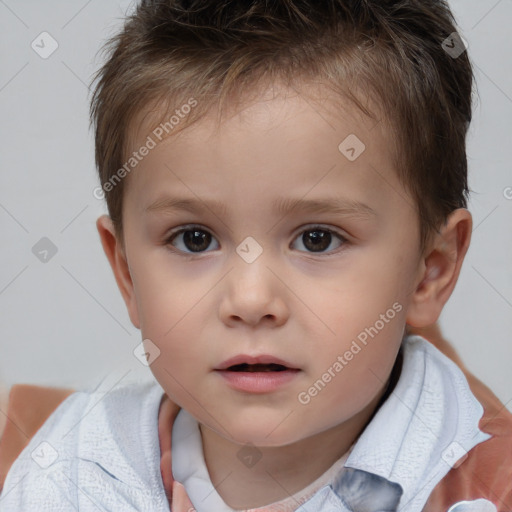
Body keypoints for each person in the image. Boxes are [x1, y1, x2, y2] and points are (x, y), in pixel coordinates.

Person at [1, 1, 511, 510]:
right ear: (127, 274)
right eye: (194, 239)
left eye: (318, 239)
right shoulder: (68, 473)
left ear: (430, 271)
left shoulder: (484, 488)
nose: (249, 299)